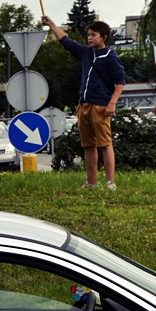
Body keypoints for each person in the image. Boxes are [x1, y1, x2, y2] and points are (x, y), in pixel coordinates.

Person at [41, 15, 125, 190]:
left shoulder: (111, 56)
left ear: (104, 37)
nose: (89, 37)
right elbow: (66, 41)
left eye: (94, 34)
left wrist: (112, 103)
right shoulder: (86, 53)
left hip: (101, 105)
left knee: (105, 143)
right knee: (88, 145)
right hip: (84, 104)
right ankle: (91, 182)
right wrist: (51, 25)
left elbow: (120, 82)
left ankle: (110, 182)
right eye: (88, 34)